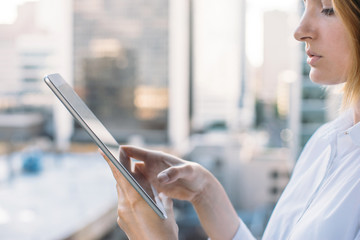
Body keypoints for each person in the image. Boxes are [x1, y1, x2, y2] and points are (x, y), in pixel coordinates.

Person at [101, 0, 360, 239]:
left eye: (328, 8)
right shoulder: (327, 141)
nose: (300, 30)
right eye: (305, 5)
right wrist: (204, 192)